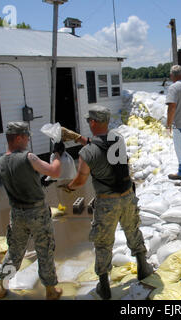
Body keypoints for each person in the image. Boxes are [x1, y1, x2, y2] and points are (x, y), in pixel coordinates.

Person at [60, 105, 153, 300]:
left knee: (103, 243)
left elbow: (81, 180)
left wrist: (68, 187)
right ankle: (143, 268)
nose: (88, 124)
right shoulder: (118, 139)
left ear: (93, 122)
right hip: (127, 196)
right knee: (133, 230)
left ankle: (104, 287)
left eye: (88, 121)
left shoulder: (87, 153)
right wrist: (78, 137)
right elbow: (102, 146)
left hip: (107, 202)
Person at [0, 121, 65, 300]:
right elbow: (54, 172)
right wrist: (57, 154)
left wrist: (38, 182)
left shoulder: (1, 161)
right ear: (18, 137)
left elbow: (21, 180)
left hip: (17, 214)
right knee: (45, 249)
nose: (28, 140)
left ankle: (1, 286)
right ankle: (51, 290)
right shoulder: (29, 157)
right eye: (26, 137)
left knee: (15, 251)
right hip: (37, 214)